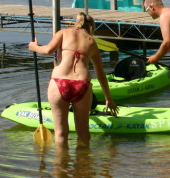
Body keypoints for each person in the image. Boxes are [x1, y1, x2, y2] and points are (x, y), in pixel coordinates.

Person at [28, 13, 118, 148]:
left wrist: (34, 47)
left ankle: (61, 167)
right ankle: (83, 166)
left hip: (59, 83)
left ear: (75, 23)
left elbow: (47, 50)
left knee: (60, 133)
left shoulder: (63, 33)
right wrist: (108, 98)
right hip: (81, 85)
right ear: (91, 27)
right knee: (83, 134)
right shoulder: (91, 42)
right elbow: (100, 74)